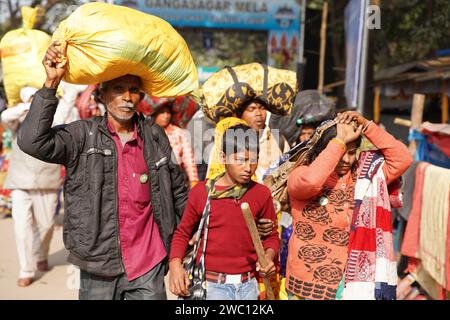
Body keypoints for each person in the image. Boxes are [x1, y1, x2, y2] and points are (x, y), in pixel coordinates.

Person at [18, 41, 188, 299]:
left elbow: (178, 191)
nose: (127, 97)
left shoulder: (154, 135)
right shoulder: (81, 135)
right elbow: (32, 142)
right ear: (102, 94)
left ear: (141, 97)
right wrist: (51, 85)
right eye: (118, 89)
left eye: (133, 90)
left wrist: (180, 252)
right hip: (98, 264)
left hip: (148, 262)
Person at [285, 111, 413, 300]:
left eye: (352, 152)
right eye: (341, 152)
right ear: (323, 149)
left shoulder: (364, 177)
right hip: (307, 286)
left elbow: (402, 158)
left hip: (353, 285)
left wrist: (366, 125)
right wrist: (339, 142)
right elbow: (310, 183)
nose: (346, 160)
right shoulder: (300, 173)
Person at [169, 124, 279, 300]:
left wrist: (268, 256)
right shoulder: (202, 192)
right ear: (223, 158)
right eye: (240, 160)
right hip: (210, 286)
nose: (248, 167)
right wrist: (175, 265)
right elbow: (182, 233)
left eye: (253, 160)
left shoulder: (261, 193)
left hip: (248, 287)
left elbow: (271, 237)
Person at [1, 87, 62, 287]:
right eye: (32, 100)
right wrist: (29, 106)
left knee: (46, 225)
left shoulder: (55, 117)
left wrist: (45, 108)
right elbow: (5, 116)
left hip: (47, 180)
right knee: (22, 228)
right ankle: (26, 269)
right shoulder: (17, 121)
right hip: (20, 181)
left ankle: (41, 254)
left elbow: (67, 107)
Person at [150, 98, 199, 187]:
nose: (166, 116)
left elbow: (188, 158)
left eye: (168, 113)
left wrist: (193, 181)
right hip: (153, 181)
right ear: (155, 114)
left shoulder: (178, 133)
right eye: (162, 113)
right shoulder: (147, 132)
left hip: (175, 180)